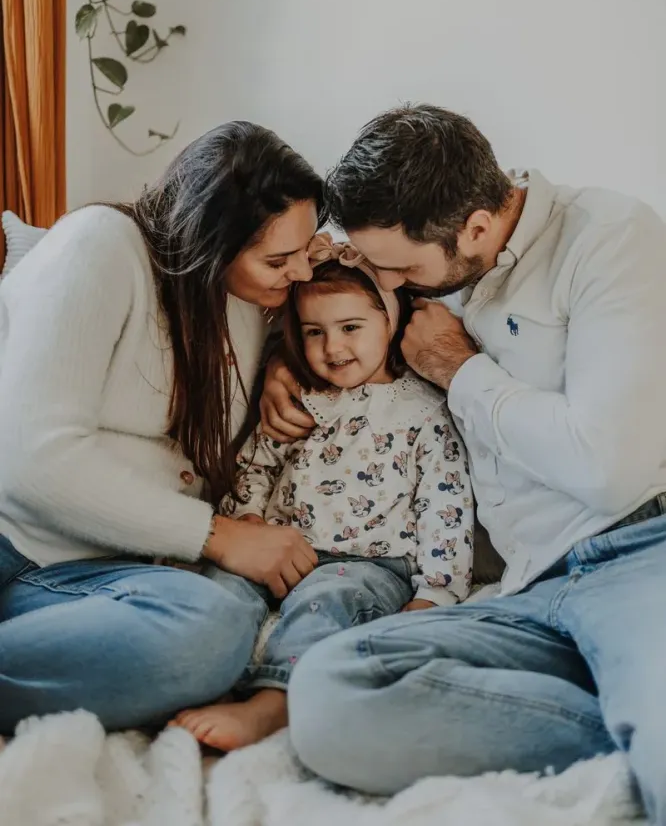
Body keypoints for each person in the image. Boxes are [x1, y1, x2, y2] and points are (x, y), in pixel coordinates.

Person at [262, 105, 666, 822]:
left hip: (637, 555)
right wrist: (284, 366)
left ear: (477, 227)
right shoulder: (419, 255)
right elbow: (330, 302)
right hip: (527, 595)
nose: (384, 279)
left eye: (399, 268)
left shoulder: (610, 238)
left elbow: (610, 469)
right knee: (328, 692)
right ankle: (622, 716)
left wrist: (461, 370)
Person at [0, 120, 324, 734]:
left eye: (306, 250)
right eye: (280, 259)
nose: (302, 272)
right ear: (210, 239)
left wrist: (284, 359)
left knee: (213, 631)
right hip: (13, 539)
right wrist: (217, 535)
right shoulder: (101, 246)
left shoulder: (245, 297)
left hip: (93, 575)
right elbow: (30, 461)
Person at [171, 234, 473, 750]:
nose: (333, 348)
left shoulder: (425, 411)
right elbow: (257, 466)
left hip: (368, 563)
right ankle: (186, 676)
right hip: (277, 552)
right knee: (218, 591)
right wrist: (244, 523)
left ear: (391, 320)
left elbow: (445, 503)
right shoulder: (301, 396)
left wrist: (436, 592)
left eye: (351, 328)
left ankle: (276, 705)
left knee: (328, 601)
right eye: (315, 332)